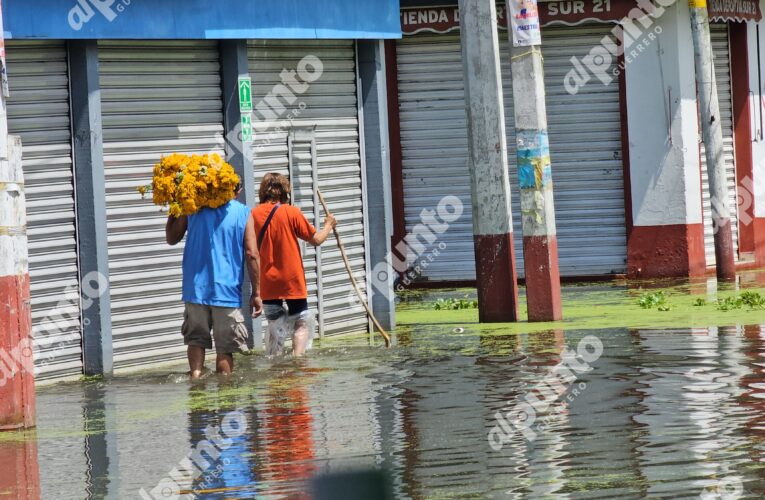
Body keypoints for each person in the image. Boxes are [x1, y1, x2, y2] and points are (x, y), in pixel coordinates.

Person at [166, 184, 263, 379]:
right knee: (225, 348)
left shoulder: (192, 207)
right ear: (237, 191)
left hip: (195, 290)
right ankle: (226, 400)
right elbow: (252, 254)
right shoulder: (243, 213)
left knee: (196, 341)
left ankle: (195, 381)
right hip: (227, 293)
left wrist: (176, 205)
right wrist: (257, 292)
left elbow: (171, 238)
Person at [251, 172, 336, 357]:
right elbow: (317, 240)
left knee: (275, 323)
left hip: (267, 281)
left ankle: (275, 360)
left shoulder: (252, 214)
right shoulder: (292, 212)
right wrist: (329, 225)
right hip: (292, 279)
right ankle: (298, 359)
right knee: (301, 320)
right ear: (285, 191)